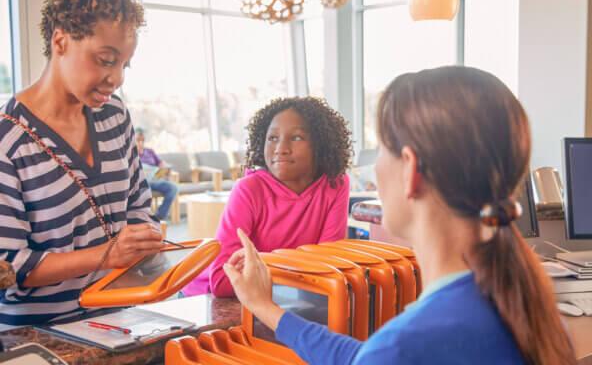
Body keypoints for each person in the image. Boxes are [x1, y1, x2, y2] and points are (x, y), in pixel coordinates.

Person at [223, 67, 577, 365]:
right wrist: (267, 309)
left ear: (411, 169)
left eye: (382, 150)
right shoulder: (525, 308)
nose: (376, 168)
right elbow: (365, 358)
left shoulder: (408, 344)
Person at [0, 0, 165, 327]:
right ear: (60, 41)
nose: (117, 77)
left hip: (122, 320)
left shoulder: (114, 115)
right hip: (42, 334)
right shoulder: (7, 141)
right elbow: (10, 267)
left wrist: (146, 236)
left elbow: (137, 205)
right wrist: (107, 255)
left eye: (124, 64)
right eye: (106, 60)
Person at [182, 97, 353, 297]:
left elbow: (328, 267)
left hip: (275, 297)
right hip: (204, 297)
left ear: (321, 145)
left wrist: (261, 264)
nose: (281, 148)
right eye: (272, 138)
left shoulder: (336, 184)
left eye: (296, 137)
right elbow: (223, 280)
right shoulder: (249, 189)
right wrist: (301, 268)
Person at [135, 128, 178, 220]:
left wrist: (164, 167)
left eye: (142, 140)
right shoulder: (131, 154)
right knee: (143, 190)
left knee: (173, 188)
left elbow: (161, 163)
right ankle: (144, 218)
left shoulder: (150, 151)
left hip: (155, 180)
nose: (141, 143)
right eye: (138, 140)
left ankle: (160, 215)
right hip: (141, 182)